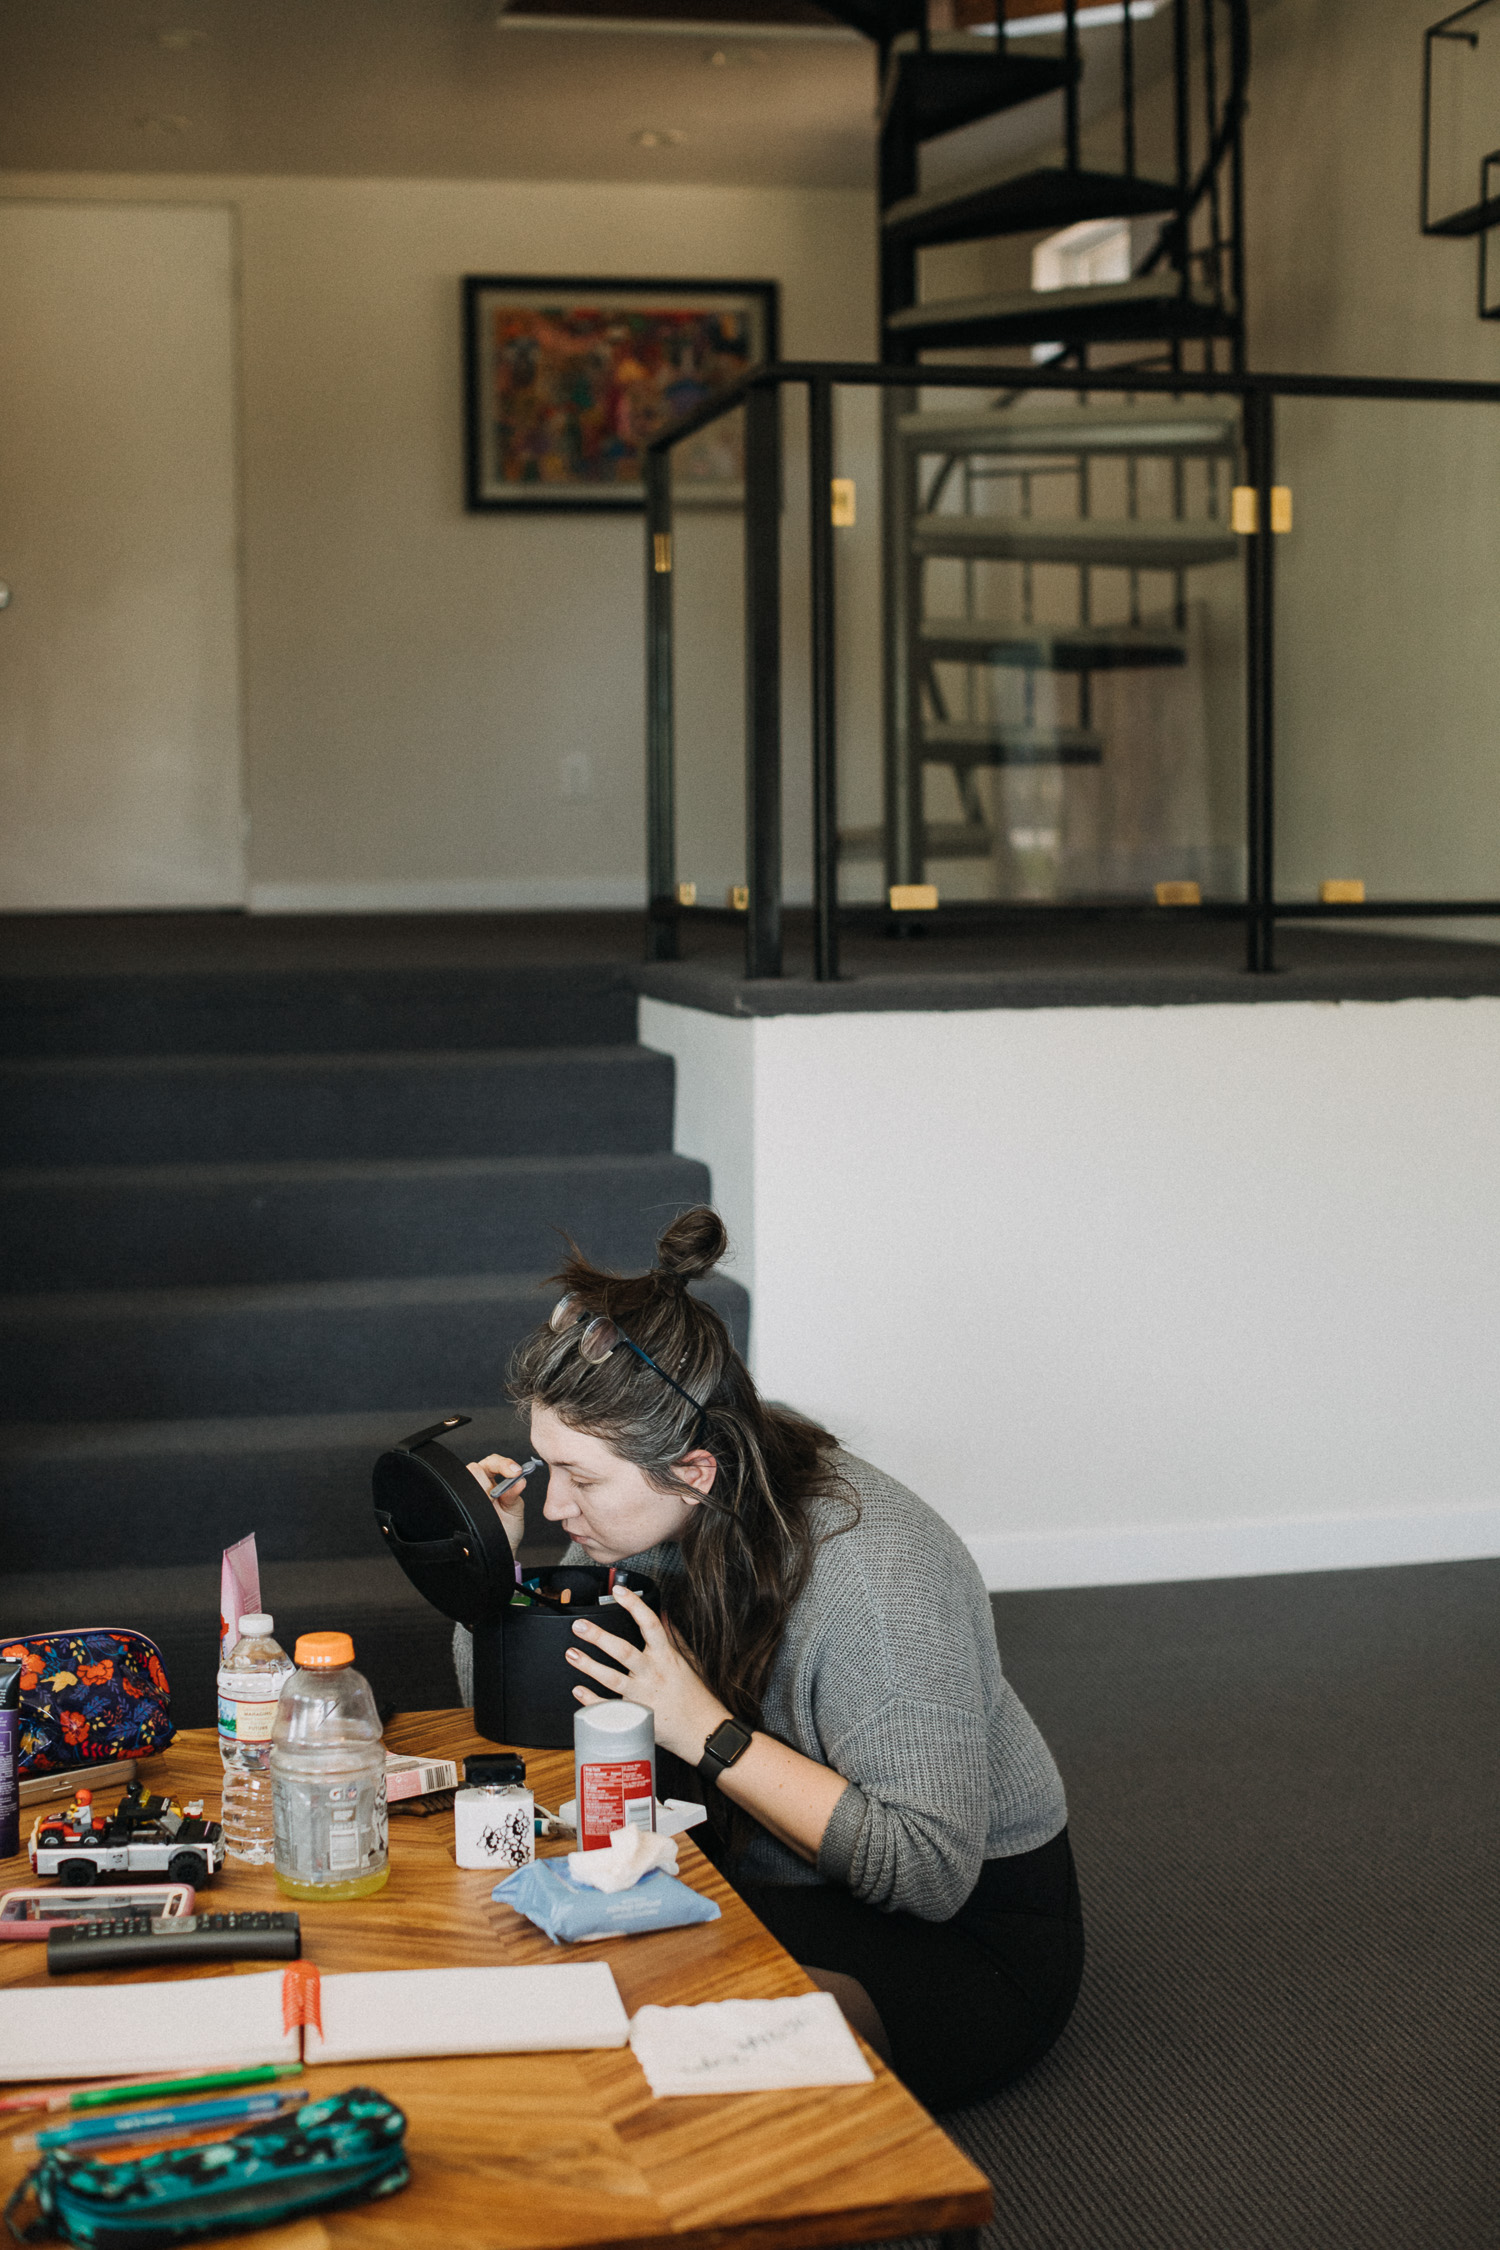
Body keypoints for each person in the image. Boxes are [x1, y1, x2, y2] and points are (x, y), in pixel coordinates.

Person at [453, 1207, 1083, 2113]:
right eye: (546, 1469)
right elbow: (531, 1712)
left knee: (650, 2047)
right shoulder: (654, 1508)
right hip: (751, 1865)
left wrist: (704, 1729)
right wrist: (495, 1575)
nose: (556, 1508)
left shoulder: (876, 1576)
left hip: (962, 1938)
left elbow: (929, 1873)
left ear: (696, 1471)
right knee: (528, 1960)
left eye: (581, 1479)